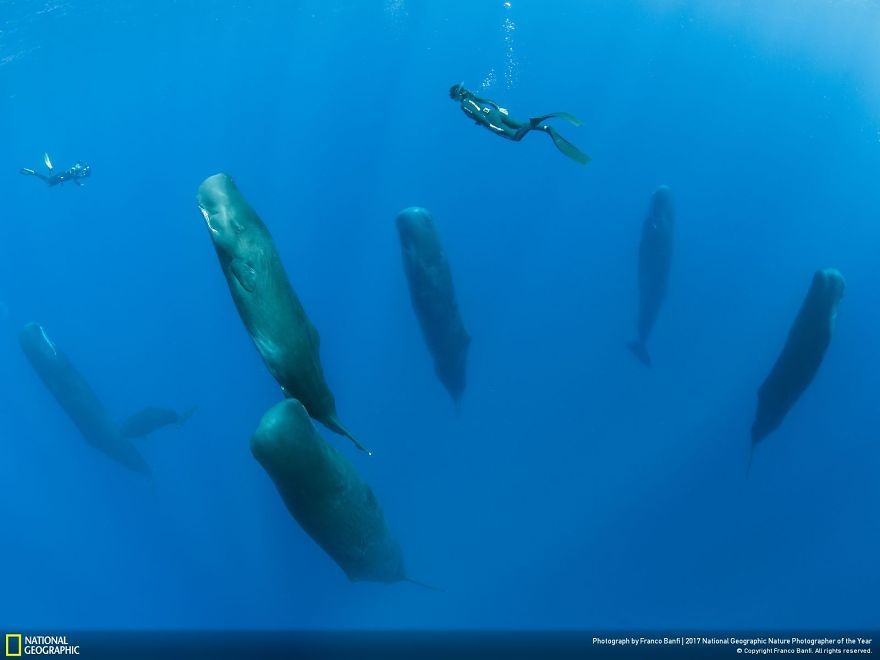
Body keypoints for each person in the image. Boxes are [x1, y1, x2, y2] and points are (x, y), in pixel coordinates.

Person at [449, 83, 590, 164]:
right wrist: (499, 109)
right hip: (496, 113)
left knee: (516, 136)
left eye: (455, 97)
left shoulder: (464, 104)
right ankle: (546, 127)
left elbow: (478, 115)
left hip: (491, 120)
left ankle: (534, 122)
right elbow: (489, 101)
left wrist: (490, 125)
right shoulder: (472, 96)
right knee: (521, 125)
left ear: (457, 96)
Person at [20, 153, 91, 186]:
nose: (83, 175)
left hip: (59, 177)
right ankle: (47, 169)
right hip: (58, 177)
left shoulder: (76, 173)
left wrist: (79, 184)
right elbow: (71, 174)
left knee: (48, 180)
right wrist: (62, 178)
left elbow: (74, 178)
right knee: (48, 180)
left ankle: (49, 170)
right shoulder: (75, 172)